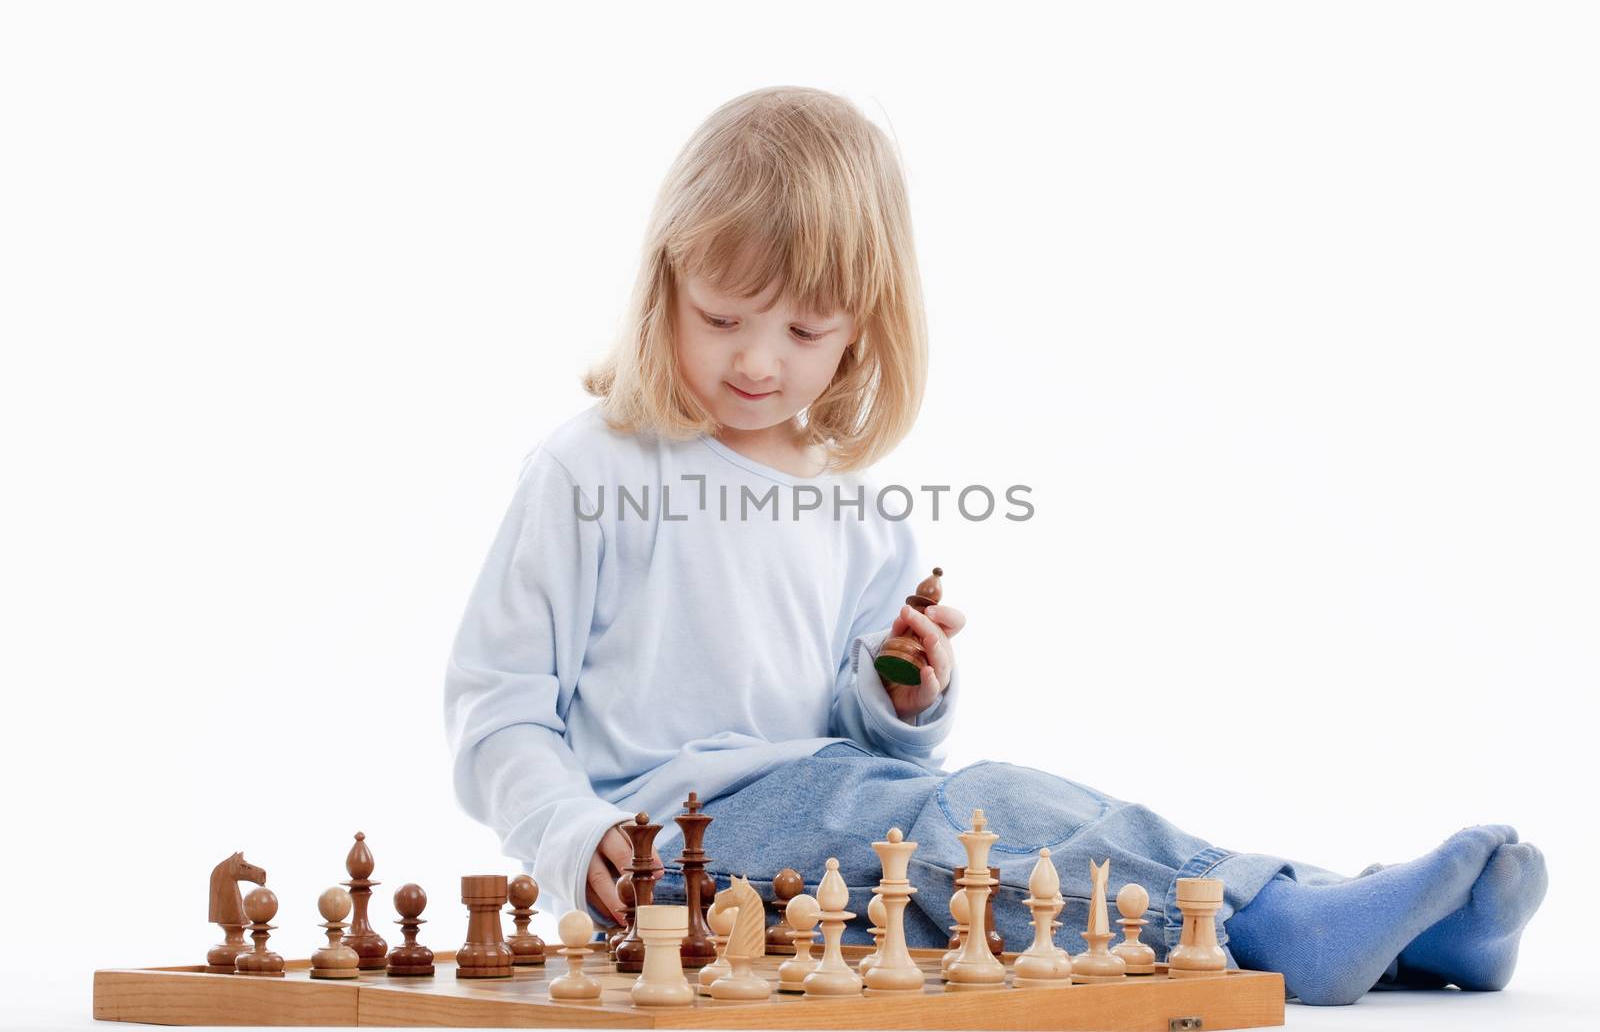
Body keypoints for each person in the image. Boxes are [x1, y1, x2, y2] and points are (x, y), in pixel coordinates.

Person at [442, 85, 1545, 1006]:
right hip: (679, 846)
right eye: (722, 316)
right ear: (663, 284)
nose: (757, 361)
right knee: (978, 819)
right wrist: (571, 831)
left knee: (1004, 850)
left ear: (864, 326)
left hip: (831, 816)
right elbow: (496, 706)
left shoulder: (852, 503)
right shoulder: (592, 468)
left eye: (804, 330)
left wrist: (902, 697)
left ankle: (1392, 935)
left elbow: (862, 738)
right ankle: (1285, 915)